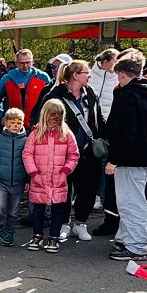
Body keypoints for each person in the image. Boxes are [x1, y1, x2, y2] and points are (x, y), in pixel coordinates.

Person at [103, 51, 147, 263]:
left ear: (122, 74)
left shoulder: (126, 96)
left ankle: (136, 246)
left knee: (131, 203)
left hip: (129, 158)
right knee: (133, 200)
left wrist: (114, 159)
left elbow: (124, 131)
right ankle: (125, 238)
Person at [49, 58, 103, 241]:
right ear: (75, 75)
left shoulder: (90, 94)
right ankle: (63, 223)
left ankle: (80, 223)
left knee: (88, 189)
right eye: (86, 72)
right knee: (64, 189)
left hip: (88, 152)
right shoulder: (55, 95)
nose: (89, 76)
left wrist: (103, 137)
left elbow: (98, 119)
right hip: (63, 152)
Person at [21, 98, 79, 252]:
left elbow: (73, 155)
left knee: (58, 209)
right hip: (39, 177)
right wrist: (33, 172)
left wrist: (65, 171)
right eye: (53, 114)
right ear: (45, 114)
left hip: (59, 178)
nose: (57, 117)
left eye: (60, 114)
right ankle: (37, 235)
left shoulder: (67, 134)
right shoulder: (36, 133)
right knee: (38, 208)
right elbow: (27, 154)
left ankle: (54, 236)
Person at [0, 106, 28, 247]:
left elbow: (28, 160)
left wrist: (27, 179)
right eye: (12, 123)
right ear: (6, 123)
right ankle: (0, 227)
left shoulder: (26, 140)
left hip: (18, 181)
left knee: (14, 210)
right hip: (1, 181)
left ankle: (9, 232)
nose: (15, 126)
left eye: (18, 123)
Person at [0, 48, 50, 121]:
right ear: (16, 63)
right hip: (14, 123)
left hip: (38, 123)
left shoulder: (43, 77)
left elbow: (51, 100)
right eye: (21, 63)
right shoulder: (8, 78)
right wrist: (1, 116)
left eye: (28, 62)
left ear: (32, 62)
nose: (25, 65)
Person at [93, 48, 120, 120]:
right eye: (115, 62)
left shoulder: (120, 78)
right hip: (90, 121)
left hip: (110, 120)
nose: (118, 65)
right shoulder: (88, 75)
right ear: (105, 61)